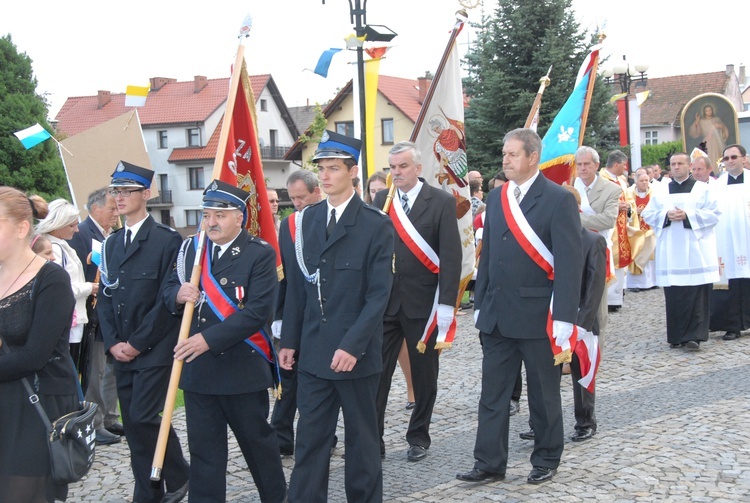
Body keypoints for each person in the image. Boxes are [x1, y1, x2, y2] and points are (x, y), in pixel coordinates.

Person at [456, 128, 582, 485]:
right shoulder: (497, 199)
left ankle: (546, 458)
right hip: (496, 316)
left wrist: (563, 318)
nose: (505, 160)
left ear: (532, 157)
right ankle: (489, 462)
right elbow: (490, 254)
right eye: (504, 154)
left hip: (538, 316)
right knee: (492, 395)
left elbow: (569, 265)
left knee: (543, 394)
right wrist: (480, 304)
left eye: (513, 154)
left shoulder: (558, 200)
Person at [279, 130, 394, 503]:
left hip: (355, 357)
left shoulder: (375, 224)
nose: (325, 176)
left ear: (353, 171)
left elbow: (379, 296)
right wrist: (289, 342)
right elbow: (297, 289)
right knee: (310, 441)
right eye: (321, 169)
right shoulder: (305, 222)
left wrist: (352, 346)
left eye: (333, 168)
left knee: (362, 443)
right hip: (313, 352)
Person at [164, 180, 287, 503]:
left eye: (219, 214)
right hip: (199, 374)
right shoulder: (191, 249)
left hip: (241, 372)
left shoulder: (259, 254)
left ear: (239, 218)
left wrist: (207, 340)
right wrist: (177, 295)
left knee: (259, 448)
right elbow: (165, 290)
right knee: (205, 457)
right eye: (206, 214)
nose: (211, 222)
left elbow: (258, 312)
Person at [97, 161, 190, 503]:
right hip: (122, 350)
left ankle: (155, 487)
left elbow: (166, 302)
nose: (119, 198)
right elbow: (105, 298)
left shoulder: (167, 241)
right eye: (115, 191)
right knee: (135, 425)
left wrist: (136, 344)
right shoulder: (111, 244)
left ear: (145, 195)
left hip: (153, 349)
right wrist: (113, 343)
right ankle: (168, 480)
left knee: (140, 417)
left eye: (126, 191)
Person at [373, 141, 462, 462]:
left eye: (402, 167)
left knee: (425, 376)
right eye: (392, 167)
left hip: (424, 306)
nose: (396, 173)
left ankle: (418, 436)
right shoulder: (382, 199)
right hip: (385, 306)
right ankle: (374, 438)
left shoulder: (438, 201)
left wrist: (447, 306)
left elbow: (451, 257)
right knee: (376, 375)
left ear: (418, 168)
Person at [0, 188, 77, 503]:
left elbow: (35, 355)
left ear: (21, 228)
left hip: (38, 403)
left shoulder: (52, 280)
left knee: (22, 495)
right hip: (5, 400)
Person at [642, 152, 720, 350]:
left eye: (680, 163)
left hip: (696, 250)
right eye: (673, 164)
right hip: (671, 250)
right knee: (675, 294)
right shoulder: (660, 190)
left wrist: (688, 215)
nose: (676, 167)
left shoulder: (703, 189)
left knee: (697, 292)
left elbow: (714, 214)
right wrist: (666, 215)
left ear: (689, 166)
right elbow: (648, 214)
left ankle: (695, 336)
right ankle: (676, 336)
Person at [270, 168, 323, 456]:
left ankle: (321, 436)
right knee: (287, 376)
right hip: (294, 311)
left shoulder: (329, 220)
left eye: (302, 197)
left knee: (317, 382)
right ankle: (281, 435)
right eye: (292, 199)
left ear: (317, 192)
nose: (298, 204)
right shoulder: (288, 224)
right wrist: (279, 315)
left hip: (322, 314)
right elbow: (284, 275)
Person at [67, 188, 124, 446]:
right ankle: (95, 422)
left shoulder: (110, 234)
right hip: (91, 313)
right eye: (111, 208)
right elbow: (75, 272)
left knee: (111, 369)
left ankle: (110, 417)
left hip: (110, 313)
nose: (116, 213)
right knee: (95, 370)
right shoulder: (80, 234)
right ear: (95, 208)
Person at [35, 199, 98, 377]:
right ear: (58, 224)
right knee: (68, 369)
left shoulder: (60, 245)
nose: (77, 230)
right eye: (72, 226)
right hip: (68, 320)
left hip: (72, 318)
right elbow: (60, 287)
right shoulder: (54, 248)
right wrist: (89, 288)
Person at [573, 146, 621, 343]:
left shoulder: (611, 189)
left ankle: (595, 353)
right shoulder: (568, 186)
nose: (583, 168)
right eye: (579, 165)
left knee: (597, 305)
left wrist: (574, 218)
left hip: (597, 252)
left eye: (587, 164)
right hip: (573, 251)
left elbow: (608, 220)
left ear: (597, 165)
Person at [709, 144, 750, 341]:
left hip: (748, 240)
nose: (730, 161)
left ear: (744, 158)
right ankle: (732, 326)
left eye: (734, 157)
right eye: (726, 158)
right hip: (725, 243)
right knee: (730, 283)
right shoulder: (716, 186)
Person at [598, 150, 638, 312]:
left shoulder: (621, 181)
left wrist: (628, 208)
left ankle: (616, 298)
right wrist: (616, 207)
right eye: (624, 164)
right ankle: (605, 300)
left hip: (621, 227)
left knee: (620, 262)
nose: (625, 168)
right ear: (616, 164)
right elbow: (596, 204)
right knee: (608, 260)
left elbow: (630, 202)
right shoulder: (600, 180)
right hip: (608, 228)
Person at [626, 169, 657, 291]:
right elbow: (627, 209)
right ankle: (636, 284)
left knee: (650, 256)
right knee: (637, 253)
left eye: (646, 180)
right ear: (636, 182)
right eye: (642, 181)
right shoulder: (629, 193)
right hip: (636, 230)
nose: (645, 183)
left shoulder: (654, 193)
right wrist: (634, 212)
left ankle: (652, 282)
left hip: (650, 229)